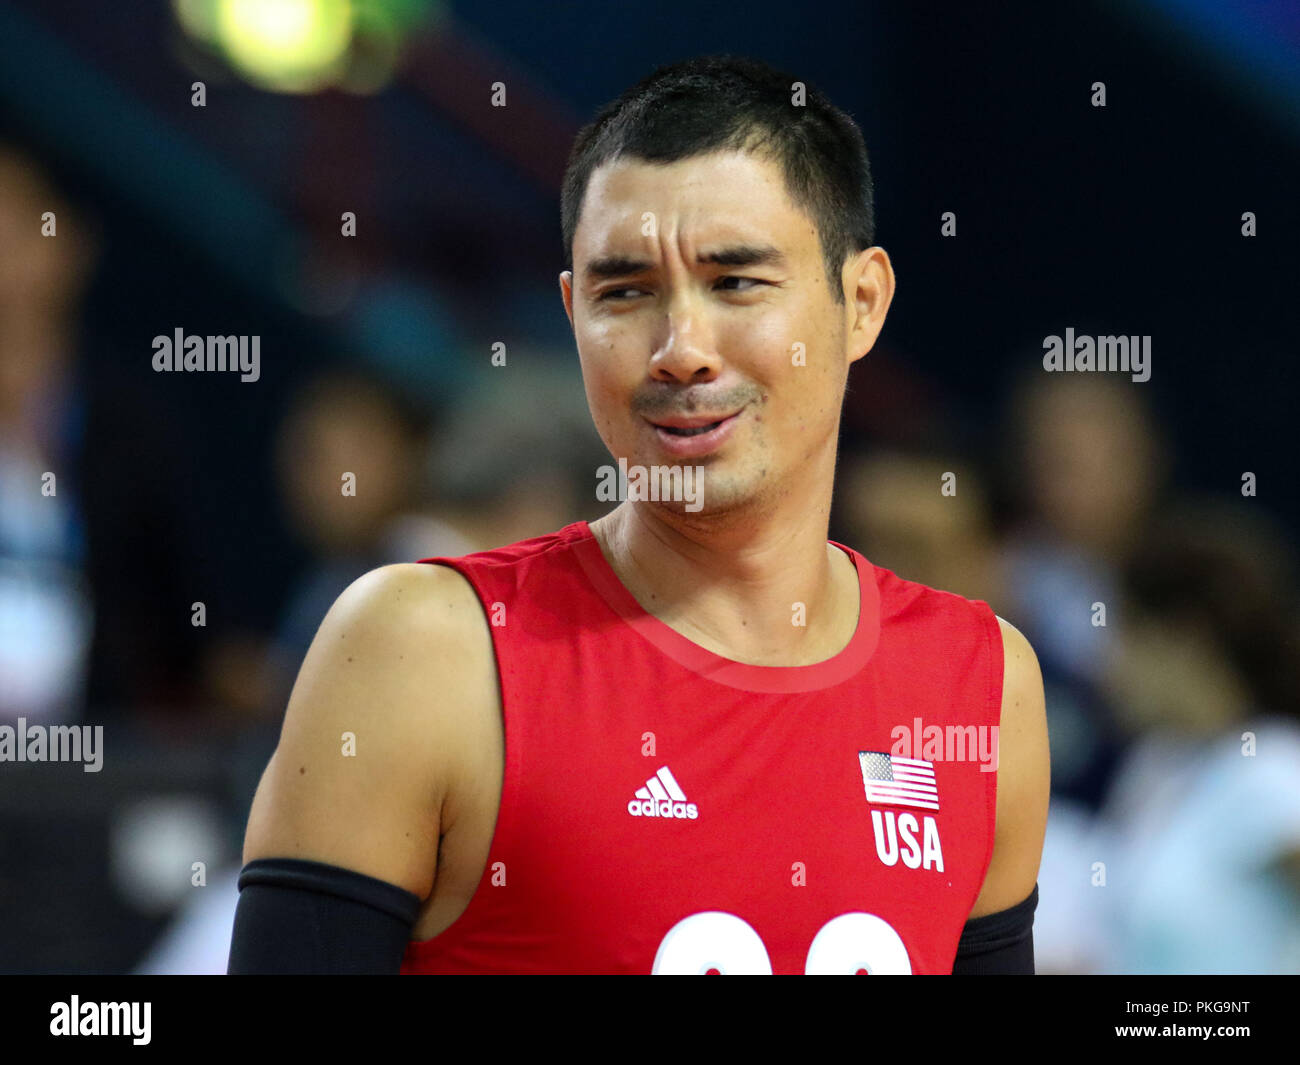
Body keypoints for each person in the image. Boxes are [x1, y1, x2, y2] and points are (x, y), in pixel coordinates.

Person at [228, 54, 1049, 975]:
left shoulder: (981, 686)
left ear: (860, 304)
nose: (681, 350)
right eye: (626, 292)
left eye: (735, 282)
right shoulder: (422, 650)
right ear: (573, 311)